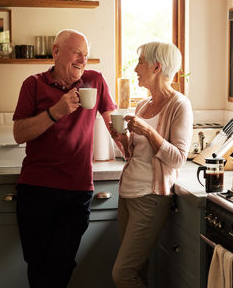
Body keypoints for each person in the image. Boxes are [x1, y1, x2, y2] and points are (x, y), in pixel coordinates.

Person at [12, 29, 118, 288]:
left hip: (76, 190)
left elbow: (113, 123)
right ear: (56, 51)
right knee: (38, 264)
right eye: (76, 52)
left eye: (86, 55)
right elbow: (19, 134)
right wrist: (56, 111)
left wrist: (131, 142)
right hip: (36, 189)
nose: (83, 60)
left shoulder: (95, 81)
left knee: (61, 262)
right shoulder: (33, 84)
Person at [110, 41, 193, 287]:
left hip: (150, 198)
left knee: (123, 274)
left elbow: (178, 158)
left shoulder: (179, 105)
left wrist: (148, 131)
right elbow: (134, 155)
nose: (136, 68)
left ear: (157, 67)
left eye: (140, 62)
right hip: (127, 195)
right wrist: (123, 141)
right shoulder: (143, 105)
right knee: (137, 271)